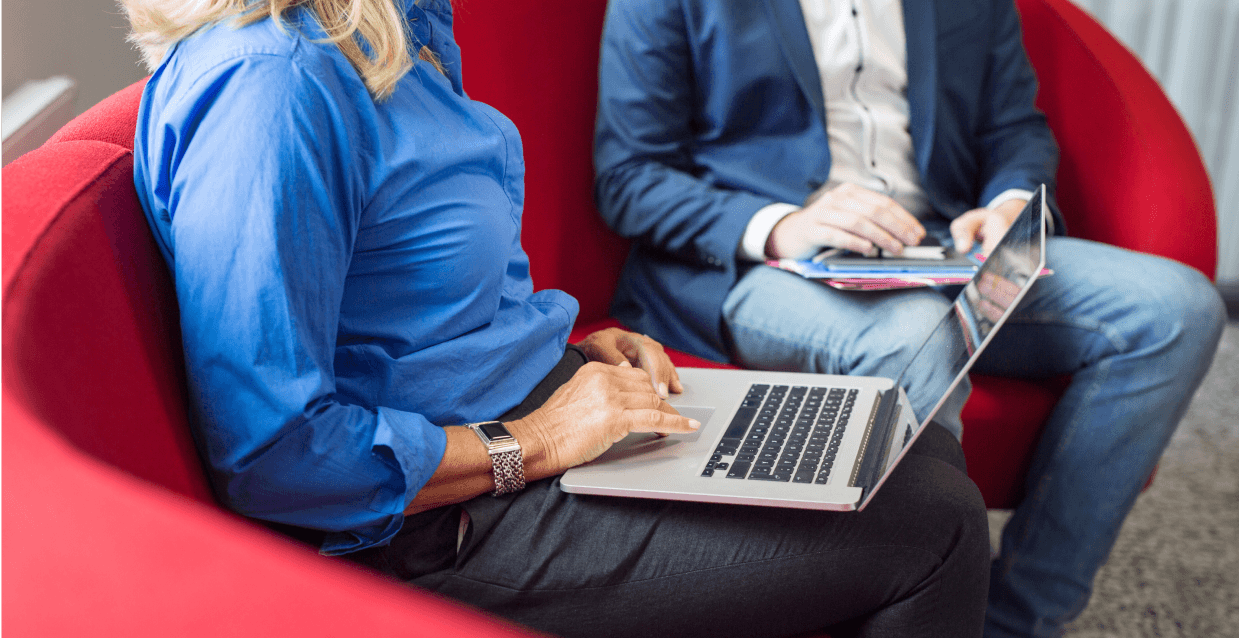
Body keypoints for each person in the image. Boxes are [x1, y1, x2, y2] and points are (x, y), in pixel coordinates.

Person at [123, 0, 991, 636]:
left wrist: (557, 358)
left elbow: (399, 305)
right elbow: (275, 454)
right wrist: (535, 439)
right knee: (934, 524)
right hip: (438, 522)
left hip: (529, 418)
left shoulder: (387, 32)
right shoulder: (273, 85)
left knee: (903, 447)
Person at [592, 1, 1227, 636]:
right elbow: (630, 176)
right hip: (757, 264)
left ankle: (1015, 620)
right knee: (917, 337)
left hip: (945, 241)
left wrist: (1009, 204)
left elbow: (1014, 128)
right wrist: (785, 226)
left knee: (1176, 310)